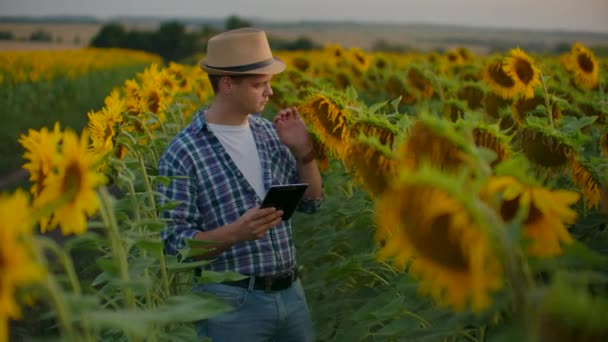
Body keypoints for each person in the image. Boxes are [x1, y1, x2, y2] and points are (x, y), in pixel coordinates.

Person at [157, 27, 323, 342]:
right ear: (228, 84)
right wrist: (237, 233)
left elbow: (312, 203)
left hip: (291, 294)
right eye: (260, 84)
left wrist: (304, 153)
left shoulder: (269, 134)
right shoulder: (183, 153)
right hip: (230, 305)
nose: (270, 93)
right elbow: (176, 246)